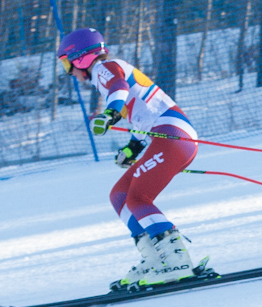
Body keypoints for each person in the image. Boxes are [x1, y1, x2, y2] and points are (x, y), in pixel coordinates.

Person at [55, 27, 205, 290]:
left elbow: (119, 87)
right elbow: (142, 115)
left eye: (68, 64)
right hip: (168, 137)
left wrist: (110, 114)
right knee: (120, 195)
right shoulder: (108, 74)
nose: (70, 72)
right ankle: (156, 258)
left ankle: (176, 261)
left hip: (173, 135)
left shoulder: (104, 68)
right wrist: (133, 148)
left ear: (82, 58)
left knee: (138, 198)